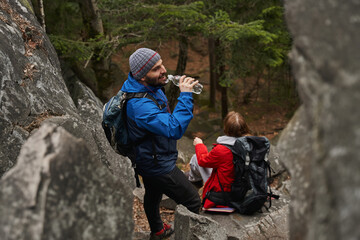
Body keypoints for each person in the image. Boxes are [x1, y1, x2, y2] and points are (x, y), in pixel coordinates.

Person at [120, 48, 201, 240]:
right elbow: (174, 128)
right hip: (157, 164)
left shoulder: (146, 86)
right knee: (192, 200)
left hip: (149, 157)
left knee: (153, 195)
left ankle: (157, 231)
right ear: (141, 76)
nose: (163, 70)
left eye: (161, 64)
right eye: (156, 69)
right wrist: (186, 96)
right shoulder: (139, 105)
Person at [188, 111, 251, 209]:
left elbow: (202, 161)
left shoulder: (222, 149)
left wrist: (199, 144)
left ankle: (193, 181)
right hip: (245, 190)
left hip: (225, 195)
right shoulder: (252, 145)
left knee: (195, 159)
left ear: (226, 129)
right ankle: (193, 179)